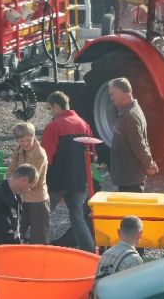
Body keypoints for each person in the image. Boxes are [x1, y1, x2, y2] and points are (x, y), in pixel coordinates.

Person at [41, 91, 96, 253]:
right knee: (77, 218)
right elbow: (92, 155)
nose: (50, 112)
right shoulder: (84, 125)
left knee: (40, 213)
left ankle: (30, 245)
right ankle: (90, 252)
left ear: (56, 106)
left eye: (50, 109)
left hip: (57, 181)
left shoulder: (54, 126)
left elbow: (46, 157)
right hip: (79, 181)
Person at [108, 78, 158, 193]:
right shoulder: (128, 112)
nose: (111, 98)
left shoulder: (130, 115)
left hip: (131, 179)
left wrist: (149, 164)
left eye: (112, 94)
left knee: (132, 210)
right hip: (127, 177)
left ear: (122, 91)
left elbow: (139, 144)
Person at [6, 122, 50, 244]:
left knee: (39, 238)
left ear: (34, 137)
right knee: (16, 232)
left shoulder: (39, 154)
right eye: (21, 141)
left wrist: (13, 186)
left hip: (37, 200)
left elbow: (32, 179)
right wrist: (8, 182)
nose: (25, 144)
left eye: (28, 140)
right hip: (23, 198)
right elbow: (11, 169)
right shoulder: (19, 149)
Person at [0, 164, 38, 246]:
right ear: (24, 180)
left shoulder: (16, 197)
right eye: (30, 186)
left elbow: (15, 229)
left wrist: (22, 242)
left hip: (9, 247)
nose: (29, 190)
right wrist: (21, 246)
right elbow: (2, 233)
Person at [93, 216, 143, 285]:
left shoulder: (106, 254)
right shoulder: (135, 259)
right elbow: (135, 288)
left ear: (118, 232)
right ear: (140, 234)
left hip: (100, 294)